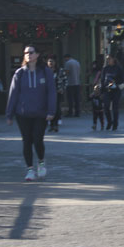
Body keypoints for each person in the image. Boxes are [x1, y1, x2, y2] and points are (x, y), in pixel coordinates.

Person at [7, 46, 56, 181]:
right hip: (23, 113)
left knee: (37, 139)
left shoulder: (45, 72)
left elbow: (51, 92)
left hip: (40, 113)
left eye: (31, 52)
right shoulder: (19, 73)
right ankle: (29, 169)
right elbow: (13, 94)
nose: (28, 55)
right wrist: (9, 114)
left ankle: (41, 162)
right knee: (26, 141)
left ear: (37, 55)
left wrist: (51, 111)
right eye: (26, 53)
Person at [99, 54, 124, 131]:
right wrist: (101, 91)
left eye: (109, 59)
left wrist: (116, 82)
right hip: (107, 90)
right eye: (107, 59)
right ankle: (109, 121)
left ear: (114, 59)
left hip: (116, 90)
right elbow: (102, 79)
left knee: (115, 108)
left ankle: (115, 124)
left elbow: (122, 79)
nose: (108, 60)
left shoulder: (118, 68)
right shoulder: (105, 69)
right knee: (106, 107)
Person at [47, 56, 67, 132]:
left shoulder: (60, 71)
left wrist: (62, 88)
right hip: (48, 93)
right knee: (50, 108)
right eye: (49, 61)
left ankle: (55, 124)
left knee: (57, 108)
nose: (51, 63)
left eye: (52, 61)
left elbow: (65, 80)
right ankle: (51, 125)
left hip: (57, 92)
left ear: (55, 63)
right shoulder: (46, 71)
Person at [63, 53, 82, 117]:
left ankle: (70, 112)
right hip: (77, 82)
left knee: (70, 99)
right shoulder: (77, 62)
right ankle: (77, 112)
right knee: (77, 99)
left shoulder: (68, 63)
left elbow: (66, 72)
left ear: (66, 57)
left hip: (70, 83)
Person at [88, 60, 105, 130]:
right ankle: (94, 125)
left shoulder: (99, 72)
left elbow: (97, 80)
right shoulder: (94, 95)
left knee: (101, 117)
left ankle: (102, 125)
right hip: (95, 109)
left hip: (100, 109)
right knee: (95, 117)